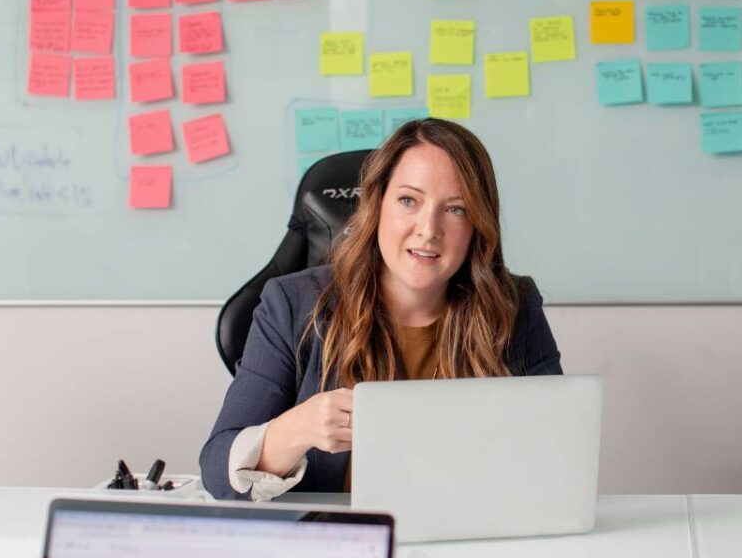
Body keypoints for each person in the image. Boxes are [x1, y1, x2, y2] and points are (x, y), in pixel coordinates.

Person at [201, 118, 563, 500]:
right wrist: (297, 429)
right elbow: (216, 473)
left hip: (466, 534)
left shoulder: (513, 305)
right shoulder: (293, 304)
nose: (428, 229)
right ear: (377, 205)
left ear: (478, 224)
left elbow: (559, 450)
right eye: (409, 200)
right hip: (338, 540)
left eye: (455, 209)